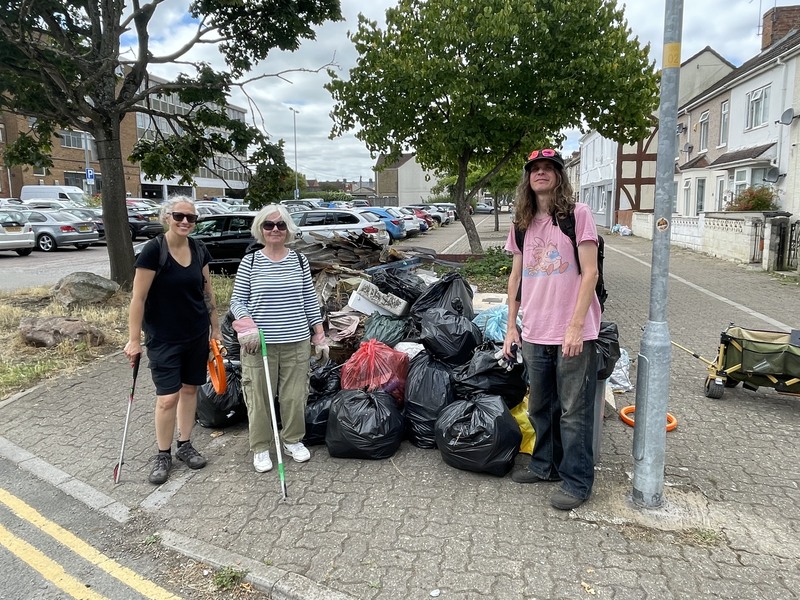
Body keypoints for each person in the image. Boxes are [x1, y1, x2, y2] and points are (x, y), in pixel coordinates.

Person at [503, 149, 601, 510]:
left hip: (572, 331)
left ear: (559, 176)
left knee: (573, 411)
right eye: (535, 169)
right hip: (534, 330)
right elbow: (516, 277)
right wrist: (511, 327)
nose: (541, 173)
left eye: (548, 168)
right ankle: (545, 466)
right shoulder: (522, 222)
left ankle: (577, 482)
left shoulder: (578, 215)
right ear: (528, 179)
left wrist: (576, 327)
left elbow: (590, 273)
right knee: (540, 406)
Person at [124, 196, 222, 485]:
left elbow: (207, 292)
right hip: (163, 337)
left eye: (191, 218)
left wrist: (215, 329)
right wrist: (133, 340)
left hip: (195, 333)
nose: (185, 222)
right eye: (179, 216)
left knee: (191, 390)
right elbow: (138, 298)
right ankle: (163, 454)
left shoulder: (198, 248)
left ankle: (185, 444)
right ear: (166, 216)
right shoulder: (154, 250)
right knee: (167, 398)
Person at [229, 204, 327, 473]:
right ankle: (261, 446)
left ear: (288, 230)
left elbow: (309, 299)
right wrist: (247, 325)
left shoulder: (299, 261)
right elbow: (237, 300)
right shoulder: (250, 261)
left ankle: (292, 440)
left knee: (295, 396)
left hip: (296, 341)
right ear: (260, 229)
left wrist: (319, 333)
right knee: (258, 397)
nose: (275, 229)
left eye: (281, 225)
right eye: (269, 225)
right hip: (259, 344)